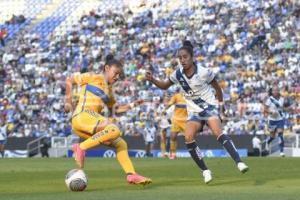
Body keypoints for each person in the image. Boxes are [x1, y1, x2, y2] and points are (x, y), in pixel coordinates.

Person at [146, 40, 249, 184]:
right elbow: (164, 86)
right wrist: (152, 80)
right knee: (188, 137)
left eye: (185, 57)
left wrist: (221, 106)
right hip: (194, 112)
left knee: (217, 132)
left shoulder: (204, 72)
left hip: (209, 108)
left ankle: (239, 162)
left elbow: (217, 89)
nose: (182, 60)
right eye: (180, 57)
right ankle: (206, 171)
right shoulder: (178, 74)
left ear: (192, 57)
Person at [64, 55, 152, 185]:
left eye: (119, 75)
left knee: (121, 144)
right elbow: (69, 80)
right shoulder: (92, 77)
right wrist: (68, 101)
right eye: (115, 73)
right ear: (106, 68)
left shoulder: (109, 91)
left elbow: (115, 110)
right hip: (82, 115)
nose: (117, 77)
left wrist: (133, 105)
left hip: (89, 122)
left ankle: (131, 175)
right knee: (113, 129)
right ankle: (81, 147)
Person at [264, 87, 287, 157]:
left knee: (280, 133)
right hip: (272, 120)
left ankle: (281, 152)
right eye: (274, 90)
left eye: (277, 90)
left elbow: (282, 108)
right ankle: (267, 142)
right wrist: (271, 112)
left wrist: (289, 108)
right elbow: (265, 109)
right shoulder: (269, 99)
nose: (276, 91)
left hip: (280, 119)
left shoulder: (282, 99)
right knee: (272, 136)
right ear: (272, 92)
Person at [166, 91, 188, 159]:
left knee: (189, 138)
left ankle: (194, 153)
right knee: (173, 136)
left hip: (185, 120)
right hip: (176, 119)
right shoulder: (176, 96)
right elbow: (170, 103)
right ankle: (173, 154)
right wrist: (168, 104)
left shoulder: (190, 96)